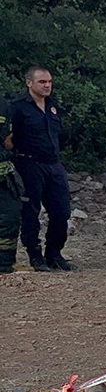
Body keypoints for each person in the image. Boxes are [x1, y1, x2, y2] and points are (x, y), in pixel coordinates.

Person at [9, 66, 75, 271]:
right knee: (30, 212)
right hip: (29, 164)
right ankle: (35, 256)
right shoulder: (18, 107)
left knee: (61, 211)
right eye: (42, 82)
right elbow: (8, 139)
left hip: (53, 165)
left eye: (49, 82)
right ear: (29, 83)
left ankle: (54, 254)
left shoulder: (53, 106)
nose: (47, 86)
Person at [0, 106, 23, 274]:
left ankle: (4, 264)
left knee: (10, 218)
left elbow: (9, 141)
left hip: (5, 177)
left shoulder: (4, 105)